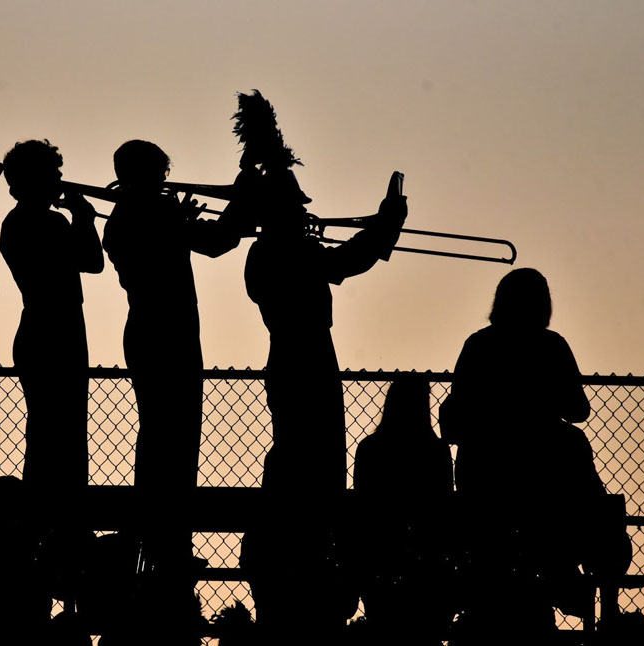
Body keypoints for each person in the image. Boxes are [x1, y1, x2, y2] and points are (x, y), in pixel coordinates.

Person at [231, 90, 406, 642]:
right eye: (299, 206)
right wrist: (386, 225)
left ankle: (305, 552)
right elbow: (347, 264)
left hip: (295, 357)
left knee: (304, 455)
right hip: (303, 356)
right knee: (316, 458)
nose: (308, 212)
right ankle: (308, 559)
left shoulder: (269, 252)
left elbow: (338, 262)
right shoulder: (281, 252)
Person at [102, 139, 240, 643]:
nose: (165, 179)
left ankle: (162, 546)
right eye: (160, 171)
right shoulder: (148, 212)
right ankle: (165, 553)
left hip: (152, 332)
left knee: (163, 440)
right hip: (168, 336)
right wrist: (244, 197)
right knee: (173, 443)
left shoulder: (129, 215)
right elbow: (219, 241)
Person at [439, 268, 594, 641]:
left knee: (491, 552)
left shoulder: (479, 345)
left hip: (485, 476)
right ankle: (563, 579)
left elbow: (454, 417)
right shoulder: (552, 346)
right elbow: (579, 410)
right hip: (542, 483)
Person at [0, 139, 103, 495]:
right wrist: (84, 218)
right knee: (64, 431)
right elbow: (93, 261)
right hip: (57, 328)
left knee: (48, 430)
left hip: (44, 327)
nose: (60, 178)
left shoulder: (18, 222)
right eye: (53, 173)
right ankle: (60, 517)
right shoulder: (46, 222)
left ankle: (48, 517)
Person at [353, 373, 455, 644]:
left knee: (384, 630)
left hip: (380, 554)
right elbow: (444, 505)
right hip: (427, 558)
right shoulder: (436, 451)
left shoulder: (370, 449)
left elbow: (363, 506)